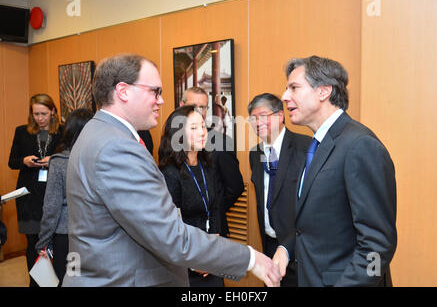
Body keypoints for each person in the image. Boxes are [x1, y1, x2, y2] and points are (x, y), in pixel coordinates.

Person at [63, 53, 281, 287]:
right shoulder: (116, 147)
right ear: (123, 91)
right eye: (154, 91)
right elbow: (170, 237)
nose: (161, 101)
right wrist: (250, 258)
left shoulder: (100, 133)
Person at [273, 55, 397, 286]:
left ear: (324, 91)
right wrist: (286, 248)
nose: (284, 96)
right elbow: (315, 223)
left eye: (294, 87)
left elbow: (377, 248)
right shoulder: (317, 146)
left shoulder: (360, 145)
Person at [248, 93, 311, 287]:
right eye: (253, 118)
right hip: (269, 244)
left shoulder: (305, 147)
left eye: (263, 115)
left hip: (300, 246)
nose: (258, 122)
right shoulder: (255, 153)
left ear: (280, 116)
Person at [159, 105, 224, 287]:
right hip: (186, 263)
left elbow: (215, 208)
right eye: (194, 128)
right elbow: (171, 226)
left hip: (211, 256)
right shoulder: (170, 174)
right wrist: (197, 260)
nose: (203, 132)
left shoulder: (207, 165)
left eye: (203, 126)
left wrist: (214, 248)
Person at [8, 93, 62, 287]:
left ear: (53, 111)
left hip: (53, 194)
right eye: (36, 114)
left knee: (54, 242)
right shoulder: (22, 131)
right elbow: (11, 162)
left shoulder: (62, 132)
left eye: (44, 113)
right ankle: (36, 283)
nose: (39, 118)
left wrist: (53, 159)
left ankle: (54, 282)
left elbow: (70, 157)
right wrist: (24, 161)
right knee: (32, 243)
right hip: (28, 196)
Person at [35, 108, 93, 286]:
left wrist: (43, 242)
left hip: (66, 236)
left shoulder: (59, 162)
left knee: (67, 279)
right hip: (95, 233)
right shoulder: (100, 158)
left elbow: (51, 206)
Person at [179, 86, 244, 237]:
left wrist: (212, 207)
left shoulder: (220, 141)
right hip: (179, 231)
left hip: (213, 231)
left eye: (202, 107)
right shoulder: (172, 139)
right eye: (193, 106)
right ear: (182, 106)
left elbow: (235, 187)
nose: (198, 111)